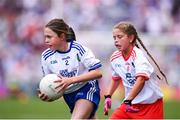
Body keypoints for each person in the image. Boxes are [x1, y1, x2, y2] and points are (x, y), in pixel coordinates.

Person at [38, 18, 102, 119]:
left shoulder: (78, 49)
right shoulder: (46, 56)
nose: (46, 40)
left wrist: (70, 80)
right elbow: (50, 83)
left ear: (62, 36)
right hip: (68, 95)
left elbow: (98, 73)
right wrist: (46, 95)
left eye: (49, 37)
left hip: (87, 88)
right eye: (45, 37)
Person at [103, 21, 167, 119]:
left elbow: (141, 80)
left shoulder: (139, 56)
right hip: (129, 104)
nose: (116, 40)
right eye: (114, 38)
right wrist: (108, 96)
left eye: (120, 37)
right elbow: (115, 78)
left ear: (131, 38)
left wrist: (128, 100)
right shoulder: (115, 58)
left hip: (151, 106)